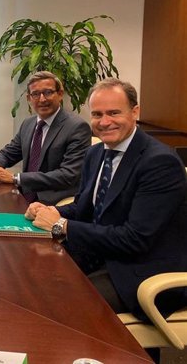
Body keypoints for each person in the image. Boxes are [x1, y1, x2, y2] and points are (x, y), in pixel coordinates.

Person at [27, 78, 187, 317]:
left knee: (62, 304)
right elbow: (84, 207)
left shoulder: (159, 162)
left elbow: (134, 239)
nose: (104, 122)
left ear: (135, 112)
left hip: (142, 270)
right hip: (102, 253)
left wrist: (61, 226)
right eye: (97, 114)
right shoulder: (95, 153)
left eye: (114, 113)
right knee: (31, 276)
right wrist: (49, 211)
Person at [0, 71, 91, 204]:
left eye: (48, 92)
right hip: (23, 196)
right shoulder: (28, 123)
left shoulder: (77, 127)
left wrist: (16, 178)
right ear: (29, 98)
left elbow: (68, 175)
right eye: (35, 94)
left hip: (54, 201)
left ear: (60, 94)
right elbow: (9, 153)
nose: (42, 99)